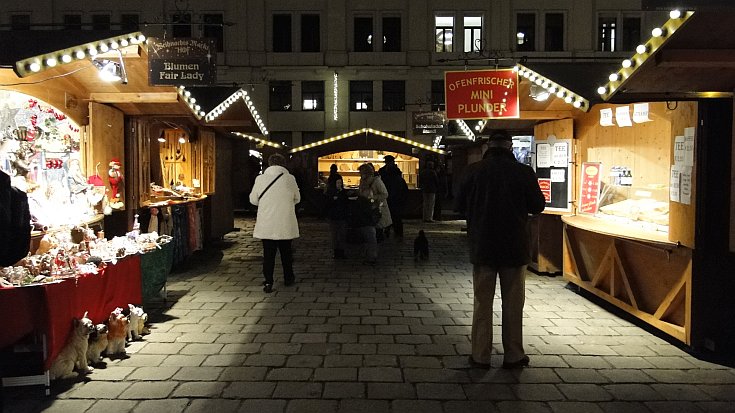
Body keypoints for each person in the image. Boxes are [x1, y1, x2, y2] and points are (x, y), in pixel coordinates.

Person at [456, 130, 546, 369]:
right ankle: (514, 354)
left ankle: (480, 355)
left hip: (482, 245)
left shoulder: (473, 171)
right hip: (514, 246)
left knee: (482, 303)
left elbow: (458, 205)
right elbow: (538, 205)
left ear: (488, 146)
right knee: (514, 303)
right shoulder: (524, 172)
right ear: (510, 146)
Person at [249, 153, 301, 293]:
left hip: (267, 222)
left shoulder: (260, 179)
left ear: (269, 164)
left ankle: (268, 281)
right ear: (283, 164)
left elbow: (253, 200)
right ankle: (288, 278)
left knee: (268, 254)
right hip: (285, 222)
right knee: (286, 253)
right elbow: (297, 198)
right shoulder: (290, 179)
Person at [355, 163, 391, 264]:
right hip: (367, 210)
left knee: (374, 233)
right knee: (371, 233)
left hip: (376, 210)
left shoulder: (377, 181)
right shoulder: (363, 181)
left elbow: (385, 194)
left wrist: (372, 198)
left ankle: (373, 255)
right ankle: (371, 254)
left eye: (361, 173)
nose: (360, 174)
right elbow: (362, 192)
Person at [378, 155, 408, 238]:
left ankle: (387, 231)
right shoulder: (397, 174)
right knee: (396, 216)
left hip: (389, 197)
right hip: (396, 198)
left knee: (388, 215)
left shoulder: (383, 172)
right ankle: (398, 233)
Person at [325, 164, 349, 259]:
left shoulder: (343, 192)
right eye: (338, 183)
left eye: (340, 183)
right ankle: (336, 252)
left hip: (341, 216)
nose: (339, 184)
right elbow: (328, 203)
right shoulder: (331, 192)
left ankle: (341, 252)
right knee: (335, 235)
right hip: (334, 216)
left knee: (341, 234)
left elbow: (345, 202)